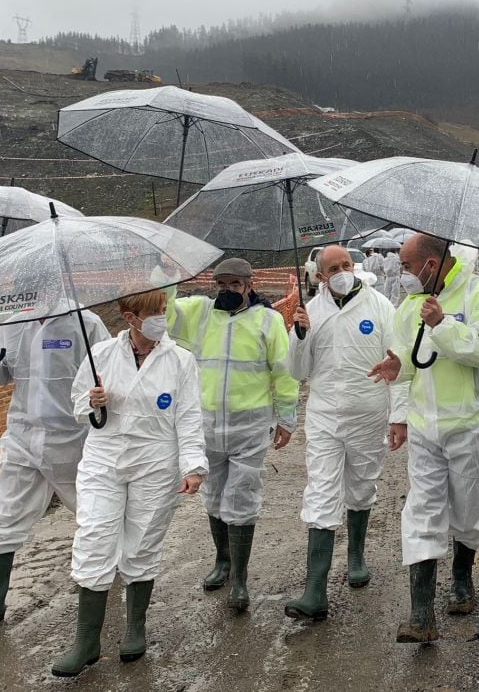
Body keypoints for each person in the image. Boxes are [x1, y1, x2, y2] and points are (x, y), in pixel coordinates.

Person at [368, 233, 479, 644]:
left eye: (407, 265)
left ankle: (463, 574)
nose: (403, 275)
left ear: (431, 264)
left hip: (474, 425)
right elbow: (407, 362)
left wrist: (443, 325)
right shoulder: (410, 307)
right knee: (422, 509)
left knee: (469, 512)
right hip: (425, 427)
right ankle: (421, 616)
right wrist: (395, 372)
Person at [52, 290, 206, 677]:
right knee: (95, 537)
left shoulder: (180, 360)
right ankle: (86, 640)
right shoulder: (100, 354)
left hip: (156, 460)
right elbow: (76, 404)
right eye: (153, 313)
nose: (161, 319)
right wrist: (93, 400)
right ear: (129, 318)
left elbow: (188, 417)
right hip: (104, 457)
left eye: (163, 311)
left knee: (142, 541)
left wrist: (193, 466)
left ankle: (134, 627)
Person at [0, 310, 110, 638]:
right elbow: (1, 375)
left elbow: (109, 372)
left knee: (97, 513)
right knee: (2, 515)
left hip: (74, 441)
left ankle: (115, 571)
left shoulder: (86, 323)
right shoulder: (13, 324)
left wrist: (100, 398)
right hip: (23, 438)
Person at [165, 258, 298, 613]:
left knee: (241, 497)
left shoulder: (267, 320)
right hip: (207, 425)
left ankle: (239, 577)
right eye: (221, 284)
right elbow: (165, 315)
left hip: (250, 426)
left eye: (234, 285)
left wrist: (287, 418)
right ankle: (222, 561)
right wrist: (166, 277)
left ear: (249, 285)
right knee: (212, 494)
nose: (226, 290)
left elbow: (284, 373)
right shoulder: (200, 313)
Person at [283, 246, 407, 621]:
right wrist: (300, 334)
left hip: (369, 413)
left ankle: (355, 554)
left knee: (362, 487)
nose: (342, 271)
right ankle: (315, 591)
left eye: (346, 265)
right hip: (324, 416)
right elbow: (296, 371)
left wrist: (398, 417)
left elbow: (398, 364)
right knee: (321, 491)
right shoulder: (311, 312)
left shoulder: (380, 306)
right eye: (333, 268)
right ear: (319, 275)